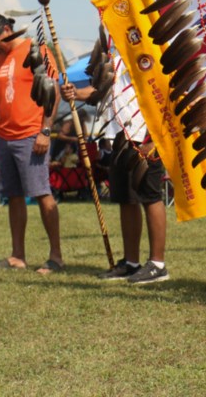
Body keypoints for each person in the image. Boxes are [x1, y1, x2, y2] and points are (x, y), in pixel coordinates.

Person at [0, 13, 64, 274]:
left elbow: (54, 91)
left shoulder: (36, 51)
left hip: (32, 134)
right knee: (14, 197)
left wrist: (46, 131)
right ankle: (18, 256)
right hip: (4, 137)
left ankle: (56, 257)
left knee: (42, 193)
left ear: (7, 30)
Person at [62, 47, 169, 285]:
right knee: (126, 199)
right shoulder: (114, 56)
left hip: (142, 135)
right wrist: (76, 93)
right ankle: (131, 263)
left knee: (150, 196)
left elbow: (161, 92)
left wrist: (154, 138)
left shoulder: (145, 50)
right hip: (117, 136)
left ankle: (158, 264)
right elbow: (103, 91)